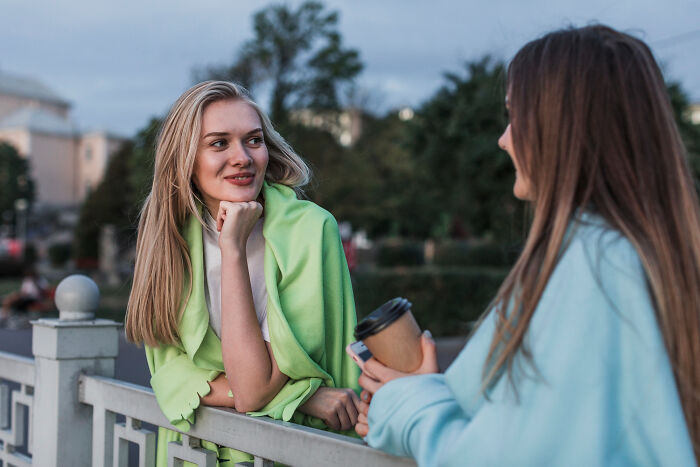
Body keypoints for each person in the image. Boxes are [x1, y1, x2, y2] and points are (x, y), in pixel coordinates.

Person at [355, 25, 700, 466]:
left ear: (561, 128)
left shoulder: (594, 268)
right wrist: (423, 393)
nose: (504, 138)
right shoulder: (646, 256)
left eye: (516, 116)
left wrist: (406, 408)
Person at [125, 81, 361, 465]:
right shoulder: (168, 237)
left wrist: (232, 249)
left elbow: (252, 391)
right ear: (185, 159)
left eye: (253, 140)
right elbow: (168, 374)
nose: (243, 158)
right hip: (191, 451)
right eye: (219, 143)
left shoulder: (309, 230)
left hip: (284, 451)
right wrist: (300, 396)